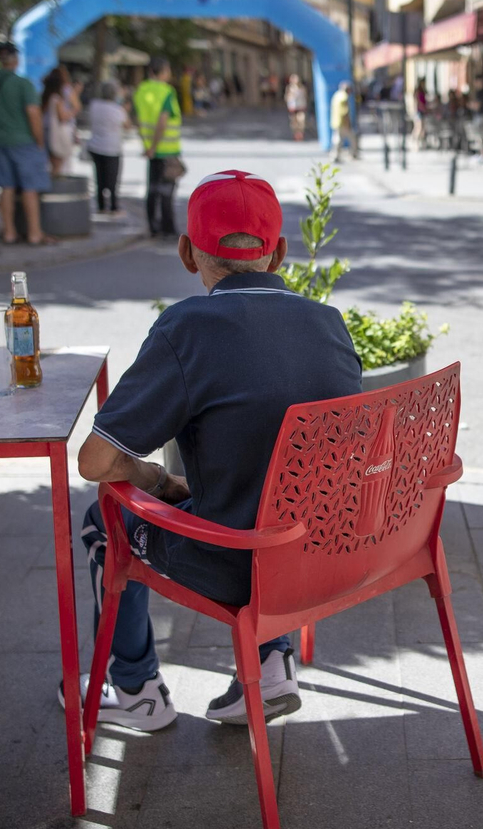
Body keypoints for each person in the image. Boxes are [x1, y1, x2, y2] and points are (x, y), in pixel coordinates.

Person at [65, 169, 363, 730]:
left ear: (185, 252)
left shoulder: (188, 327)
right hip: (331, 554)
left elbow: (96, 462)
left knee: (101, 520)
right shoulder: (329, 324)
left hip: (236, 562)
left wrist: (156, 481)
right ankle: (273, 660)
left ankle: (135, 692)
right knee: (275, 500)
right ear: (276, 254)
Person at [0, 40, 53, 246]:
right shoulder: (23, 84)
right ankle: (34, 233)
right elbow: (34, 114)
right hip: (24, 142)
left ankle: (9, 232)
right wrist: (40, 141)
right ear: (16, 60)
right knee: (30, 188)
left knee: (6, 187)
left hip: (0, 140)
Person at [134, 57, 183, 239]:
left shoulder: (141, 90)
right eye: (168, 70)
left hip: (150, 150)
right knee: (166, 191)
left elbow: (139, 120)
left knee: (152, 189)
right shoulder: (166, 91)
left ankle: (152, 227)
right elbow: (163, 121)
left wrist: (147, 147)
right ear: (162, 72)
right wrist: (155, 146)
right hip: (167, 150)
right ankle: (167, 228)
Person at [86, 79, 131, 216]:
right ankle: (113, 206)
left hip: (95, 146)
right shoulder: (117, 110)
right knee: (112, 180)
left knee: (99, 178)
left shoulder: (94, 105)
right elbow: (127, 125)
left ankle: (101, 206)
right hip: (112, 148)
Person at [41, 66, 79, 176]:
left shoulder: (45, 96)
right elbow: (62, 117)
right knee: (57, 164)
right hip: (55, 133)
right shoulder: (57, 98)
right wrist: (72, 112)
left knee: (50, 162)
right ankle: (55, 188)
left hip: (45, 130)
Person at [330, 80, 358, 163]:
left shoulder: (336, 95)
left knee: (337, 139)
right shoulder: (344, 97)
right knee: (351, 138)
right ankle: (352, 154)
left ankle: (335, 155)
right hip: (342, 122)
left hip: (336, 121)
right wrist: (348, 123)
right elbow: (344, 112)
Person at [284, 74, 308, 141]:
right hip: (293, 107)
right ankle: (296, 133)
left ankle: (300, 133)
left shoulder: (302, 88)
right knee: (294, 122)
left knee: (301, 120)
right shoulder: (289, 88)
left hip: (301, 106)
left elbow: (305, 96)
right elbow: (286, 97)